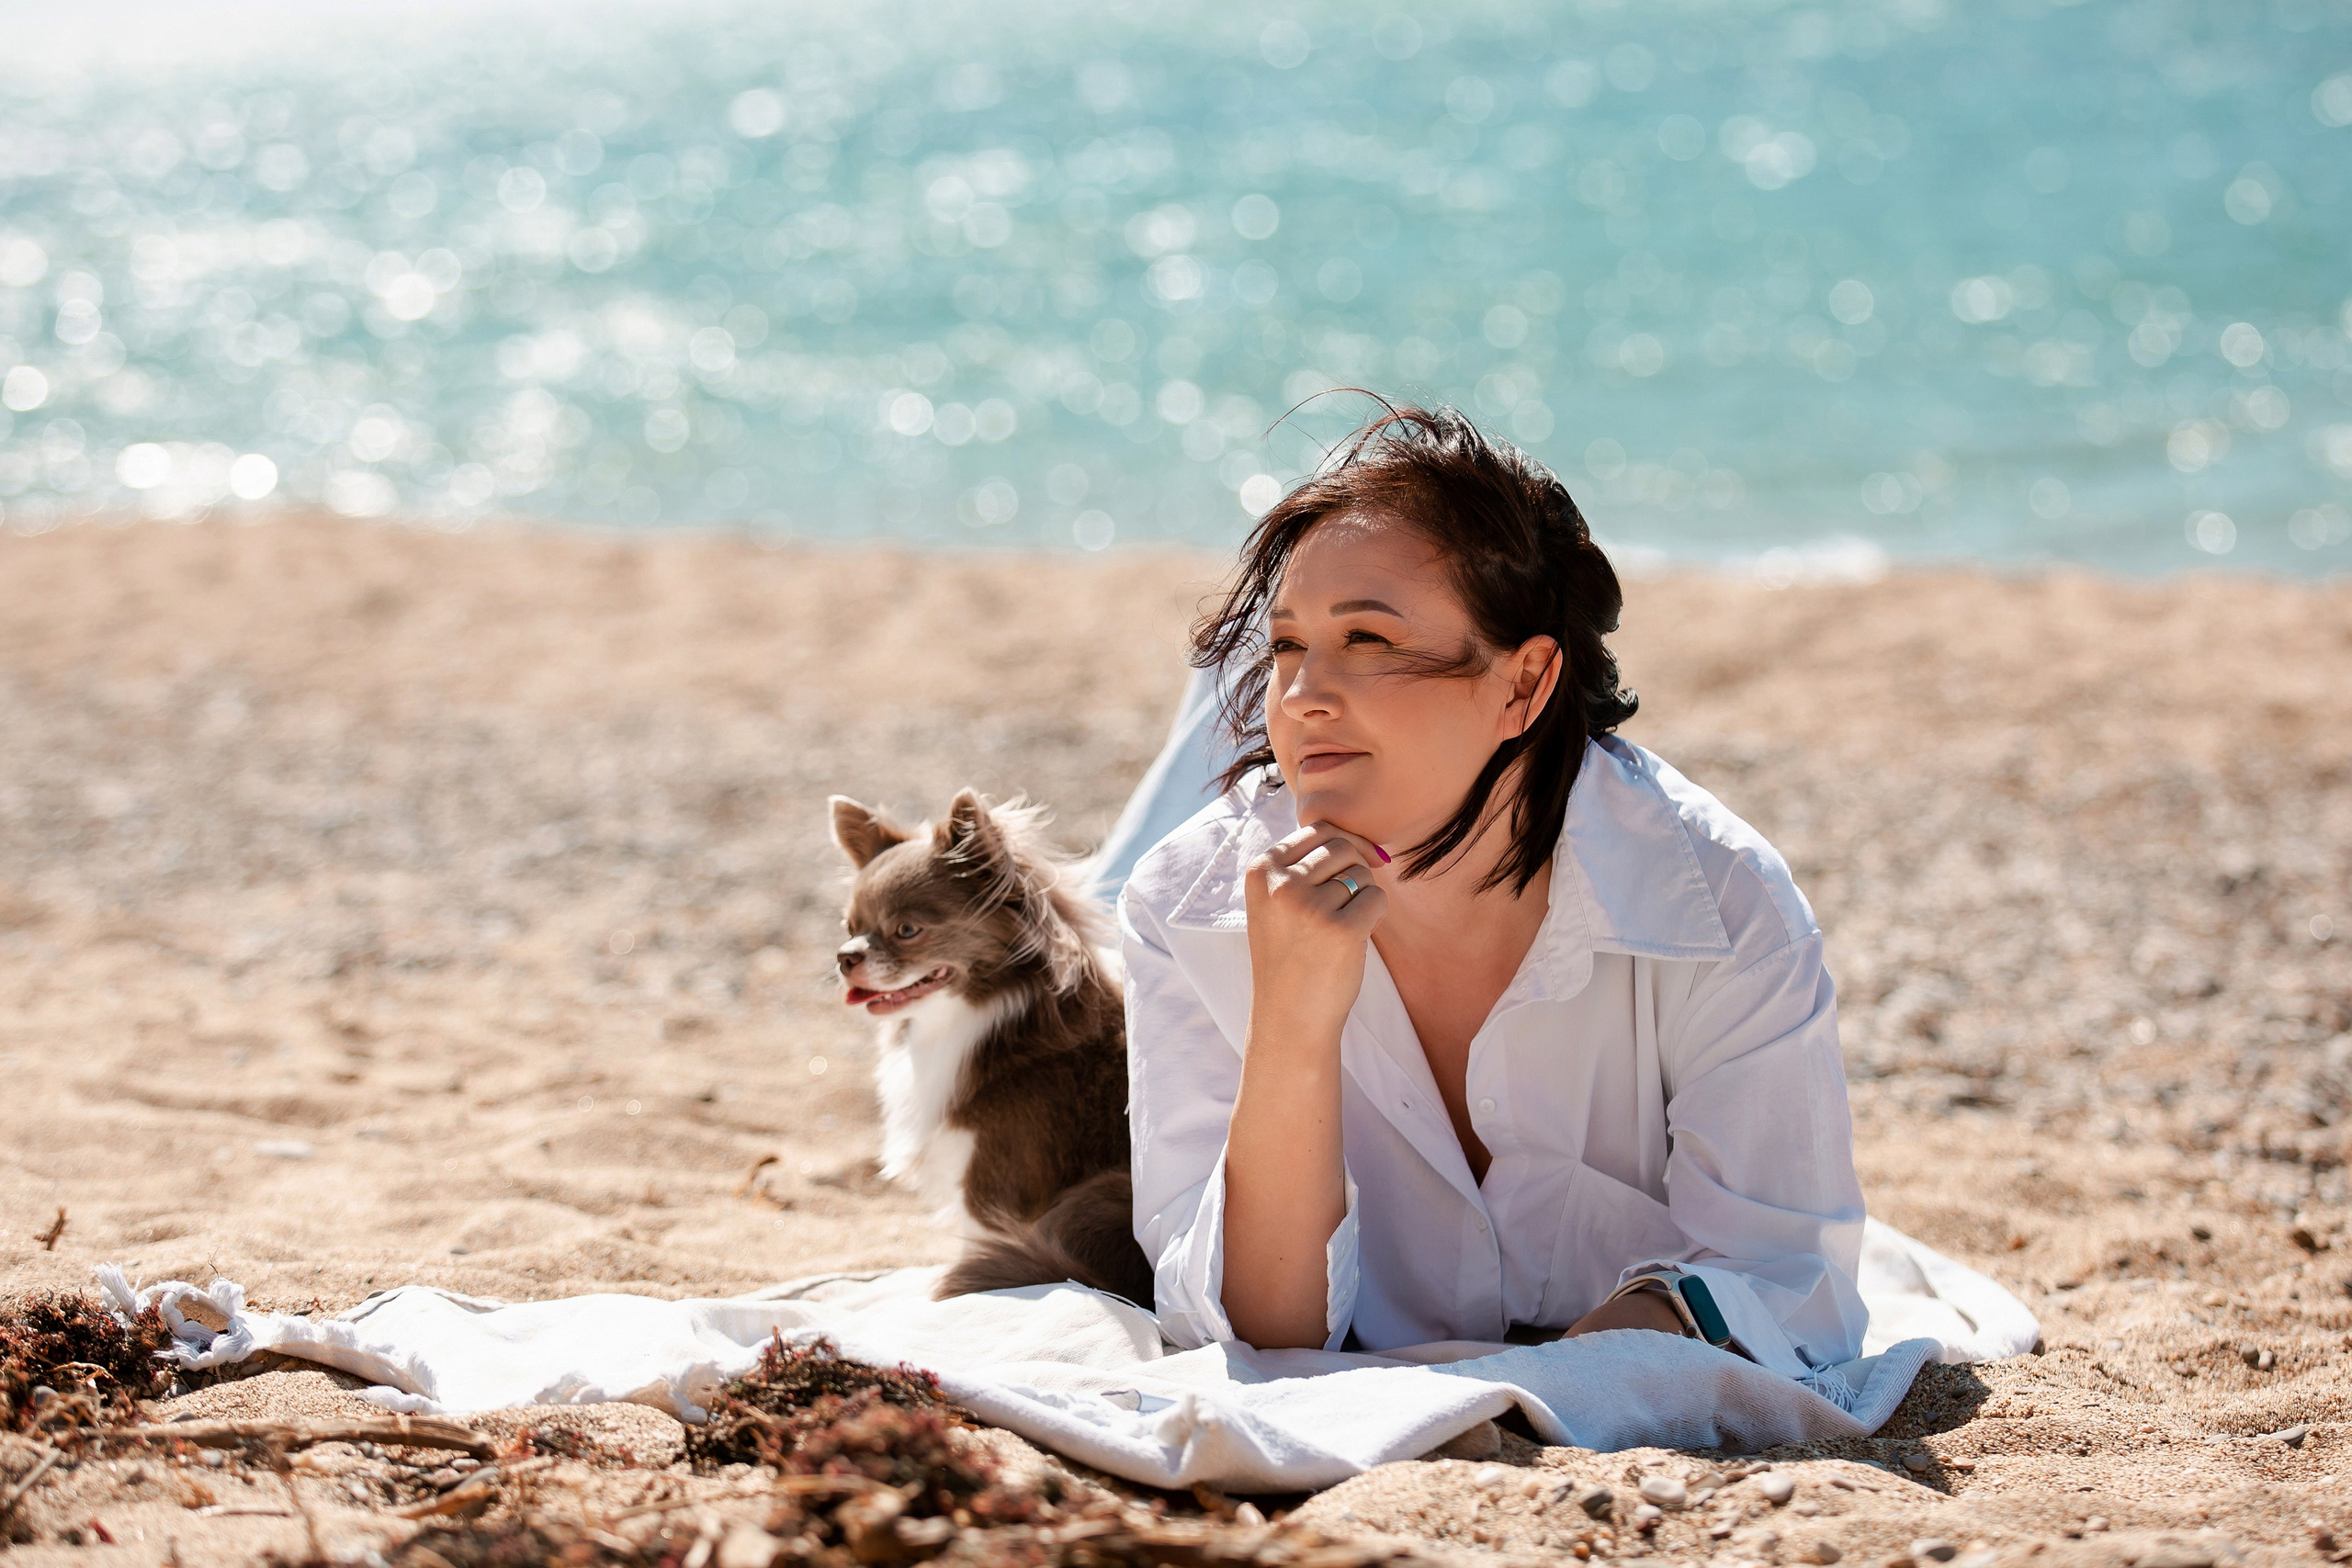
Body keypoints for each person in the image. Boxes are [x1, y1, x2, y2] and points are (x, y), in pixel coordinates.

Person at [1114, 404, 1868, 1382]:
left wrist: (1541, 1386)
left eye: (1371, 640)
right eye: (1288, 646)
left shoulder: (1720, 903)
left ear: (1524, 684)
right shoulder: (1183, 905)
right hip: (1165, 878)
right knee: (1093, 902)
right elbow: (1254, 1336)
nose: (1299, 694)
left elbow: (1790, 1287)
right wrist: (1291, 1030)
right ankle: (1205, 710)